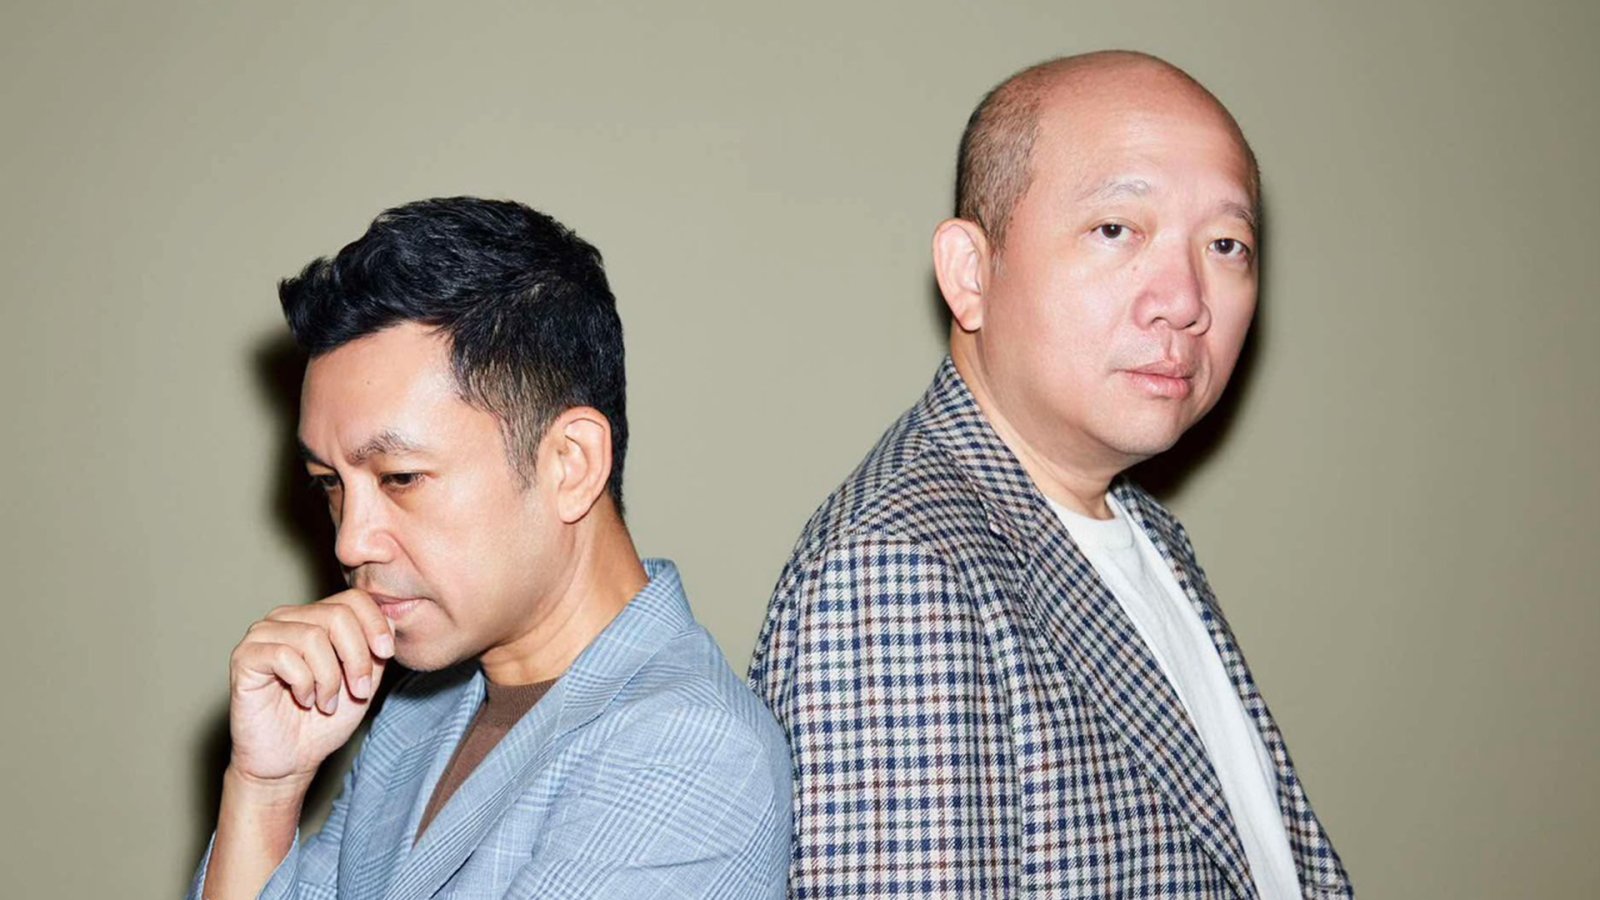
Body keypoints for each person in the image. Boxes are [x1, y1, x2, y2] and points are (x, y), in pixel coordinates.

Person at [749, 52, 1353, 898]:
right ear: (971, 273)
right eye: (1116, 229)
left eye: (1226, 244)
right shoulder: (898, 568)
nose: (1185, 300)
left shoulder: (1143, 531)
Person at [192, 197, 791, 899]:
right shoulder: (422, 710)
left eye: (400, 477)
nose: (350, 541)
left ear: (570, 464)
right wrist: (265, 789)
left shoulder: (688, 748)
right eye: (330, 483)